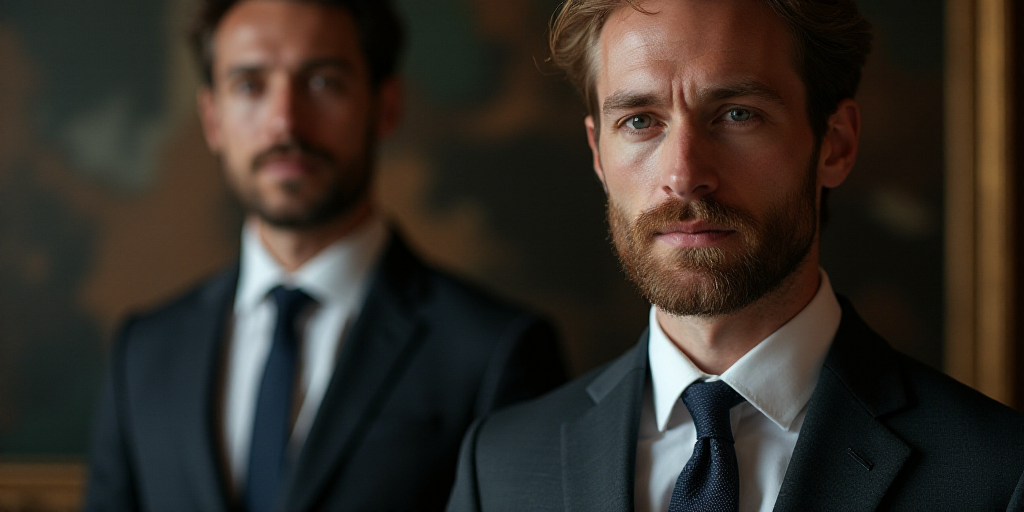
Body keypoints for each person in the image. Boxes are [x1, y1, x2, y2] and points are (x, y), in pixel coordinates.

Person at [446, 0, 1024, 510]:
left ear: (836, 143)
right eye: (641, 121)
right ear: (598, 152)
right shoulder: (499, 466)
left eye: (738, 113)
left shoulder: (1001, 474)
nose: (684, 175)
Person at [83, 1, 566, 510]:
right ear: (212, 119)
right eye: (250, 85)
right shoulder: (144, 352)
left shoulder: (496, 352)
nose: (285, 122)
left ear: (386, 106)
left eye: (323, 82)